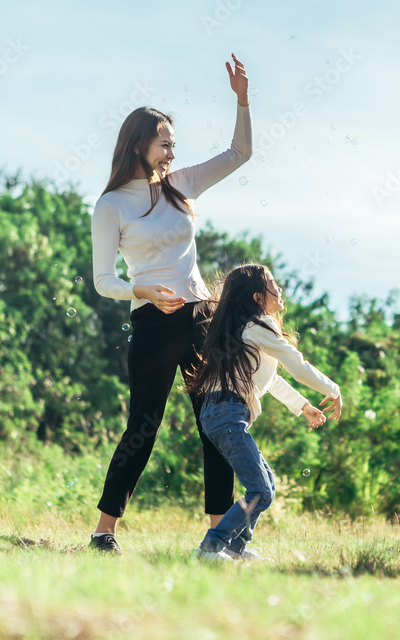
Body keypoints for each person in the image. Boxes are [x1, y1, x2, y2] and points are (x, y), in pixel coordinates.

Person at [88, 54, 252, 554]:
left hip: (201, 318)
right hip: (152, 323)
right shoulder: (111, 204)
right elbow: (102, 281)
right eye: (165, 143)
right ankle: (103, 533)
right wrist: (143, 292)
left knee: (217, 424)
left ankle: (219, 539)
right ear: (140, 143)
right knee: (143, 426)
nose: (171, 151)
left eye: (174, 145)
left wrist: (243, 99)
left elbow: (239, 153)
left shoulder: (182, 186)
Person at [191, 264, 342, 561]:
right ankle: (210, 548)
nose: (280, 289)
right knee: (260, 489)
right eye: (274, 284)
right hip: (226, 413)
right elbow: (296, 365)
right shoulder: (259, 326)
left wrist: (303, 405)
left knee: (266, 484)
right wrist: (332, 389)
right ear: (259, 297)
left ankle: (236, 548)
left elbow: (270, 377)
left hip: (221, 412)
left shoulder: (247, 330)